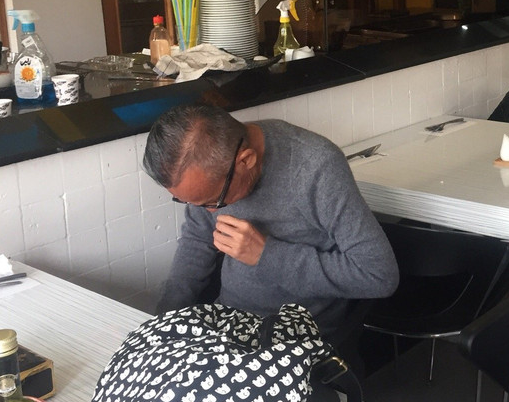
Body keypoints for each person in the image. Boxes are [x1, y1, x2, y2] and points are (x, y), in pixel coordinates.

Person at [143, 105, 399, 343]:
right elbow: (197, 243)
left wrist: (265, 255)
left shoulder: (316, 166)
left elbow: (379, 275)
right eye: (190, 202)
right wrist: (163, 325)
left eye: (214, 201)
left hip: (298, 336)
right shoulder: (209, 170)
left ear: (246, 160)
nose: (209, 212)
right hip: (230, 323)